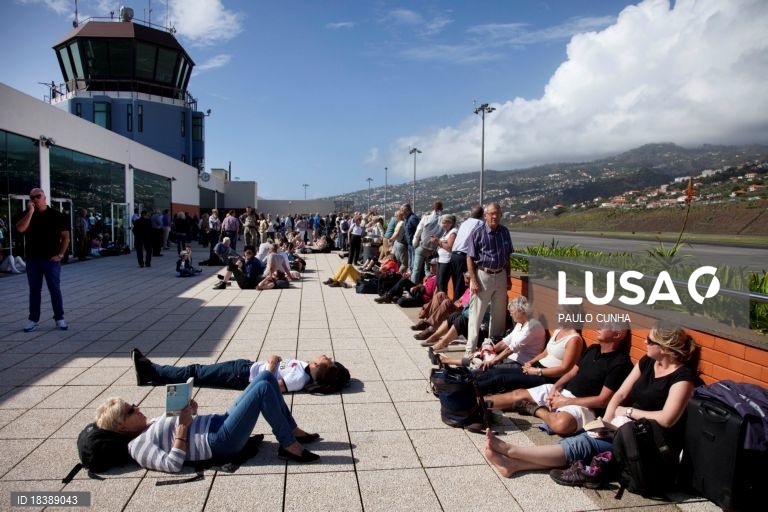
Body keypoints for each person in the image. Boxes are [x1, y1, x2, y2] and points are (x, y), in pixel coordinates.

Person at [483, 321, 697, 484]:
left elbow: (667, 420)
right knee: (586, 439)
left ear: (665, 347)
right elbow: (619, 395)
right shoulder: (648, 362)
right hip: (624, 426)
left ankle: (511, 451)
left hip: (647, 440)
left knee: (580, 444)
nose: (644, 343)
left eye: (650, 341)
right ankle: (513, 464)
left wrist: (628, 412)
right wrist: (609, 422)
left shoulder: (683, 378)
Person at [94, 371, 321, 473]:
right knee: (262, 389)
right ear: (122, 426)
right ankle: (289, 445)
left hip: (217, 423)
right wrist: (183, 427)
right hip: (218, 442)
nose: (138, 408)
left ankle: (292, 429)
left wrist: (190, 412)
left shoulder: (149, 424)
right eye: (131, 410)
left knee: (266, 377)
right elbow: (172, 464)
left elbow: (184, 428)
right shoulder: (137, 448)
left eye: (133, 405)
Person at [485, 320, 633, 436]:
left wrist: (566, 401)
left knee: (561, 424)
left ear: (618, 334)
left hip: (584, 405)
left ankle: (535, 409)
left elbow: (602, 401)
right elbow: (572, 372)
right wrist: (555, 388)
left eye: (606, 325)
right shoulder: (593, 349)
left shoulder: (620, 363)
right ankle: (478, 403)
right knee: (517, 394)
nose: (600, 326)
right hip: (563, 393)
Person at [472, 305, 585, 395]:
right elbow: (546, 352)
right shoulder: (559, 329)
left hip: (547, 377)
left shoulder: (574, 339)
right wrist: (531, 363)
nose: (556, 314)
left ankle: (470, 394)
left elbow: (564, 369)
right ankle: (467, 383)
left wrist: (537, 371)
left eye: (560, 312)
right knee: (496, 371)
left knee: (501, 378)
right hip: (536, 368)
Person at [132, 349, 338, 394]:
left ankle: (151, 371)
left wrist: (273, 364)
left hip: (242, 376)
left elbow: (270, 386)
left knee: (196, 371)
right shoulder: (304, 369)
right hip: (245, 367)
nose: (325, 355)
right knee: (199, 371)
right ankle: (153, 372)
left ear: (316, 366)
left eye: (325, 359)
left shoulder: (299, 379)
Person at [15, 188, 70, 332]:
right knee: (34, 290)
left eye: (38, 196)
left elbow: (66, 237)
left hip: (51, 260)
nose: (35, 199)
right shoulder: (27, 214)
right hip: (33, 260)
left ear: (44, 197)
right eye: (32, 197)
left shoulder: (56, 215)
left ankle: (59, 318)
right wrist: (30, 212)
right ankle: (33, 319)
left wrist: (61, 254)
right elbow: (20, 229)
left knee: (54, 289)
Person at [436, 296, 545, 367]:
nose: (511, 314)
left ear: (521, 311)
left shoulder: (532, 326)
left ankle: (447, 361)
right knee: (479, 357)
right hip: (510, 358)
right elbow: (505, 342)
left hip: (519, 363)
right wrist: (485, 351)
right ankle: (446, 361)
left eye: (512, 311)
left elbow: (510, 349)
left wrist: (492, 361)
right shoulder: (521, 324)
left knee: (483, 365)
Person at [466, 202, 514, 355]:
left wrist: (509, 277)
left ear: (501, 215)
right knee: (476, 314)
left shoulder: (505, 232)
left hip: (500, 275)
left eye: (497, 213)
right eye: (492, 213)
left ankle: (491, 349)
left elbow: (507, 257)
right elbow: (470, 258)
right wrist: (473, 280)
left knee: (499, 316)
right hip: (483, 276)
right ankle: (470, 350)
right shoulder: (478, 232)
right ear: (485, 215)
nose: (495, 216)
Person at [451, 206, 484, 300]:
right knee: (461, 287)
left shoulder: (464, 222)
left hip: (454, 256)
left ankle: (454, 308)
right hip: (464, 257)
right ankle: (457, 311)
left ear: (471, 213)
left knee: (456, 285)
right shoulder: (480, 224)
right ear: (482, 215)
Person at [411, 201, 443, 284]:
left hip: (422, 247)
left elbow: (418, 232)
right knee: (428, 270)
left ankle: (411, 286)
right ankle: (427, 286)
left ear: (432, 208)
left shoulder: (426, 218)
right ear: (442, 208)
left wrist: (414, 245)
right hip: (433, 250)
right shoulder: (443, 220)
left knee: (416, 269)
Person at [433, 214, 457, 293]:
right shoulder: (446, 232)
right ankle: (440, 301)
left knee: (442, 283)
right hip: (441, 260)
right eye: (442, 223)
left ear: (450, 223)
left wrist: (438, 241)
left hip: (447, 261)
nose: (442, 225)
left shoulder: (453, 232)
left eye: (444, 223)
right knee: (439, 283)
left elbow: (450, 247)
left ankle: (443, 303)